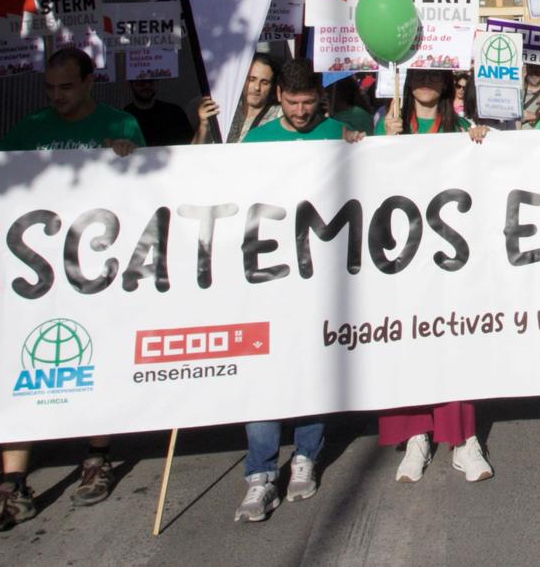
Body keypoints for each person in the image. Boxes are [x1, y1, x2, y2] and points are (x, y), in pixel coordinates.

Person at [0, 47, 145, 531]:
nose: (57, 97)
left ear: (89, 82)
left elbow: (145, 190)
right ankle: (12, 486)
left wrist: (131, 158)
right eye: (50, 89)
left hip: (98, 269)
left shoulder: (121, 126)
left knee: (95, 357)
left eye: (67, 87)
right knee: (23, 365)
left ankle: (97, 458)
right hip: (36, 272)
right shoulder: (30, 128)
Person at [230, 59, 367, 520]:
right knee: (266, 371)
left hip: (321, 276)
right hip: (269, 275)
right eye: (292, 102)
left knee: (313, 367)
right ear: (278, 99)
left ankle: (306, 456)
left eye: (310, 102)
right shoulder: (258, 140)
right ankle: (260, 473)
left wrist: (359, 145)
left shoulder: (338, 133)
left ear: (321, 99)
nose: (302, 111)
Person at [378, 71, 496, 482]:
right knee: (408, 344)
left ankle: (464, 439)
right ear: (407, 82)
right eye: (418, 78)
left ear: (446, 85)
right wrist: (374, 142)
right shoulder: (387, 123)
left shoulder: (461, 128)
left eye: (433, 78)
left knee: (454, 343)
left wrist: (482, 139)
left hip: (449, 257)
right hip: (402, 255)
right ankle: (416, 436)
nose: (425, 85)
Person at [198, 51, 280, 143]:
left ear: (272, 86)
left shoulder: (280, 115)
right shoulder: (223, 112)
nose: (257, 87)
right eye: (251, 79)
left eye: (264, 82)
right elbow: (192, 154)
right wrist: (203, 125)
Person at [122, 73, 193, 146]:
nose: (147, 86)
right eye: (141, 82)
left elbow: (190, 146)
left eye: (151, 81)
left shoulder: (174, 112)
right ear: (131, 85)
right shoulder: (123, 117)